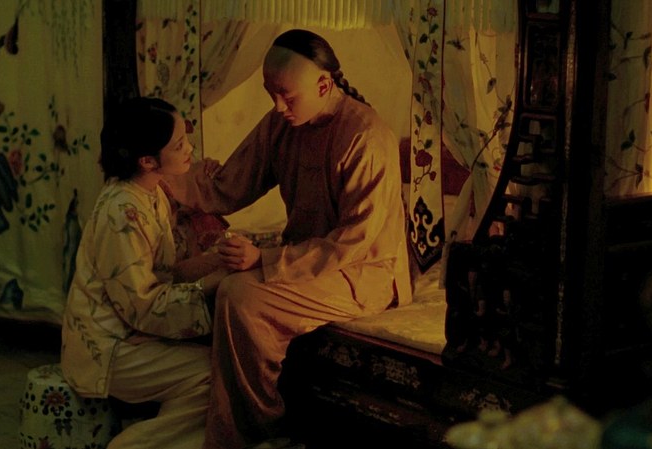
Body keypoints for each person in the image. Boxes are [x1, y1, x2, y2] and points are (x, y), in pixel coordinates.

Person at [165, 29, 413, 448]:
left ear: (324, 85)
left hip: (363, 272)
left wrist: (264, 259)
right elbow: (229, 185)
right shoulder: (282, 124)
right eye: (271, 93)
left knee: (240, 296)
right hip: (304, 262)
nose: (278, 106)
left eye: (286, 95)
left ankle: (261, 432)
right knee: (196, 275)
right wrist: (160, 178)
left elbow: (353, 242)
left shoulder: (366, 137)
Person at [60, 97, 228, 449]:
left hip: (133, 332)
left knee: (223, 365)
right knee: (213, 374)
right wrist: (212, 285)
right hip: (110, 347)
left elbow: (165, 273)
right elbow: (142, 304)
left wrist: (219, 261)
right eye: (179, 144)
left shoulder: (150, 194)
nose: (189, 149)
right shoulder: (122, 212)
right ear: (147, 160)